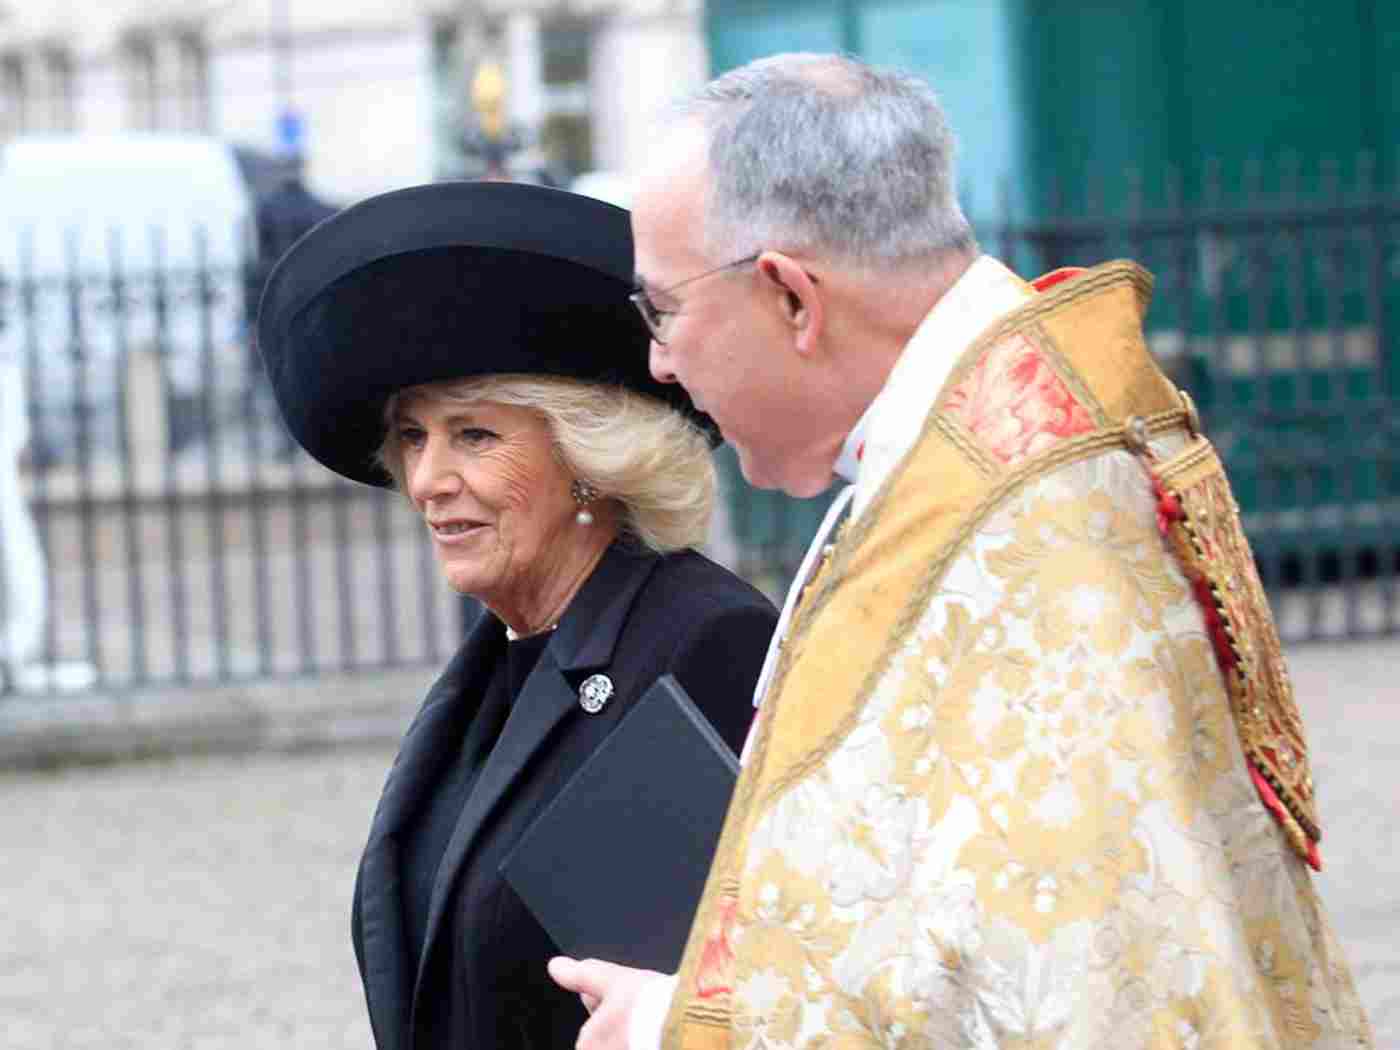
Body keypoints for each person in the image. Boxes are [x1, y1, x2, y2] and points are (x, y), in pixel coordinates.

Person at [548, 53, 1374, 1049]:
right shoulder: (976, 459)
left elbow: (1055, 988)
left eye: (663, 310)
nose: (657, 359)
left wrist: (672, 1027)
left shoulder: (1026, 532)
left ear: (791, 299)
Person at [255, 180, 778, 1050]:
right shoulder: (499, 658)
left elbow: (730, 990)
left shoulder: (704, 643)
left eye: (476, 436)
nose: (426, 481)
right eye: (414, 437)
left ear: (588, 459)